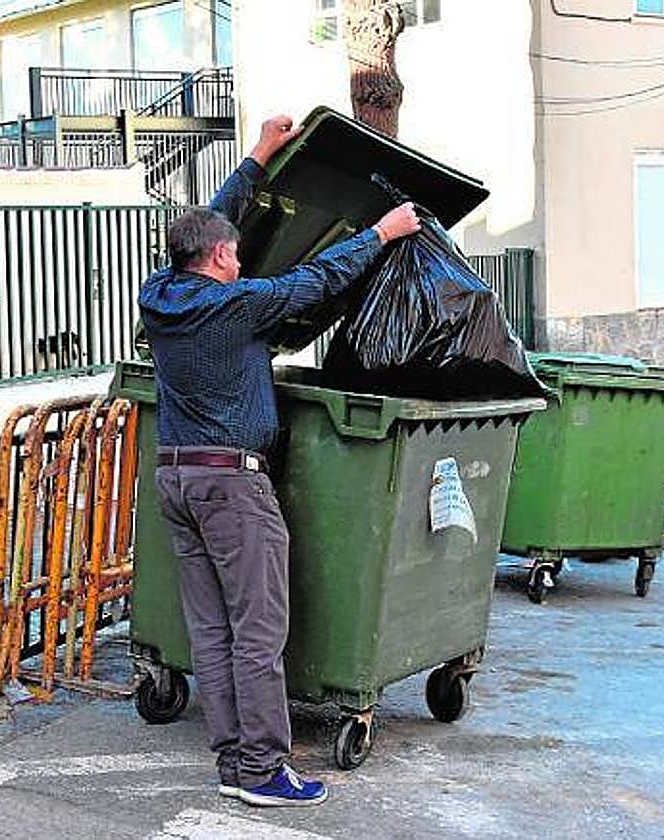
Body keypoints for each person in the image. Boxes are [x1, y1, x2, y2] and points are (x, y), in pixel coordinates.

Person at [138, 114, 420, 808]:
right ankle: (264, 769)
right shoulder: (238, 306)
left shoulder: (160, 294)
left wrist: (260, 153)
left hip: (177, 476)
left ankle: (233, 759)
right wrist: (383, 233)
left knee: (211, 630)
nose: (240, 256)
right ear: (221, 263)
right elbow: (318, 280)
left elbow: (213, 221)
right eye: (233, 253)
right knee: (258, 633)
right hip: (233, 486)